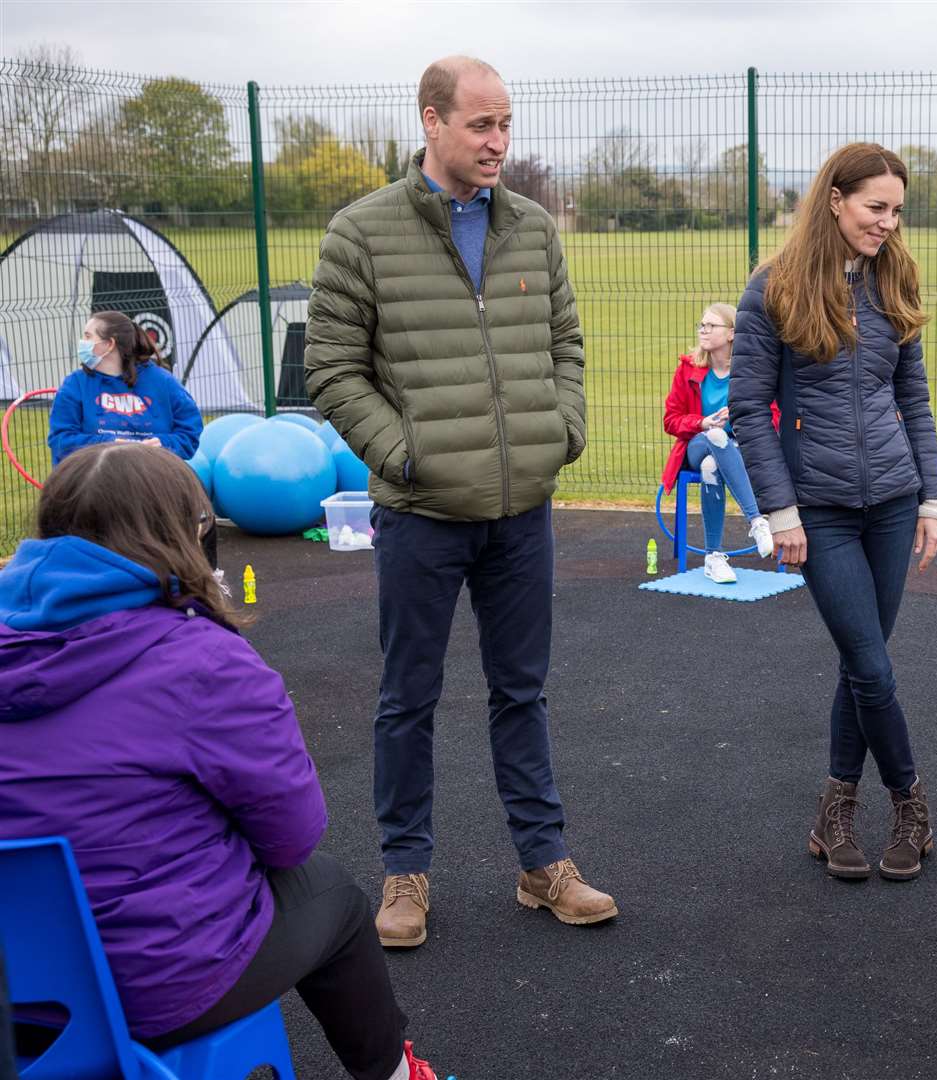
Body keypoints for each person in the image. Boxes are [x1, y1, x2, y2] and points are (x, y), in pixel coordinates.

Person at [0, 443, 440, 1080]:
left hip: (15, 990)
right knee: (335, 896)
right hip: (152, 990)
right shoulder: (203, 660)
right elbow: (292, 837)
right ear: (183, 533)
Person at [305, 54, 615, 949]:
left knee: (522, 692)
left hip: (524, 512)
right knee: (408, 697)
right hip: (421, 515)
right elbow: (331, 369)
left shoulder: (532, 227)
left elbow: (565, 341)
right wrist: (405, 456)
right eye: (481, 125)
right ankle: (406, 873)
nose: (499, 142)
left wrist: (563, 431)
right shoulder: (360, 232)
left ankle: (542, 862)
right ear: (432, 121)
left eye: (506, 123)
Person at [732, 142, 937, 882]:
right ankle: (912, 804)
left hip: (892, 502)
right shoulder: (774, 289)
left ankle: (834, 812)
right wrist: (780, 511)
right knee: (870, 663)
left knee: (865, 665)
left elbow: (912, 400)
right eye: (875, 207)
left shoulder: (897, 280)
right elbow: (748, 413)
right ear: (835, 199)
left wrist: (933, 496)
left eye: (896, 210)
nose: (888, 223)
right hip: (817, 510)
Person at [48, 310, 213, 565]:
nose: (82, 342)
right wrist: (110, 448)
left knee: (197, 501)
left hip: (150, 484)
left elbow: (189, 434)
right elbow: (61, 441)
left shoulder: (162, 382)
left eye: (88, 336)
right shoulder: (75, 385)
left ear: (109, 344)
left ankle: (201, 576)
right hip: (95, 488)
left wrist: (163, 446)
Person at [661, 302, 775, 583]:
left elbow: (773, 416)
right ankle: (757, 520)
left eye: (712, 325)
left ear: (732, 334)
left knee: (713, 465)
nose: (704, 330)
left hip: (740, 448)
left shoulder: (750, 371)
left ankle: (713, 558)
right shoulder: (688, 369)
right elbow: (671, 420)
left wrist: (736, 420)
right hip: (696, 445)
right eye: (702, 325)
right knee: (713, 437)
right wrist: (702, 422)